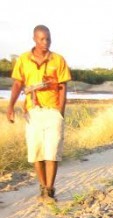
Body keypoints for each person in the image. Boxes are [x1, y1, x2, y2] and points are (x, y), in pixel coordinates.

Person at [7, 25, 71, 203]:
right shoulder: (24, 59)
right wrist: (10, 106)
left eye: (48, 39)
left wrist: (61, 111)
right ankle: (42, 188)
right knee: (36, 152)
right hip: (32, 111)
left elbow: (63, 87)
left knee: (52, 151)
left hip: (52, 111)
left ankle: (50, 190)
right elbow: (18, 84)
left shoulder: (58, 60)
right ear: (34, 39)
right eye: (42, 39)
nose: (46, 42)